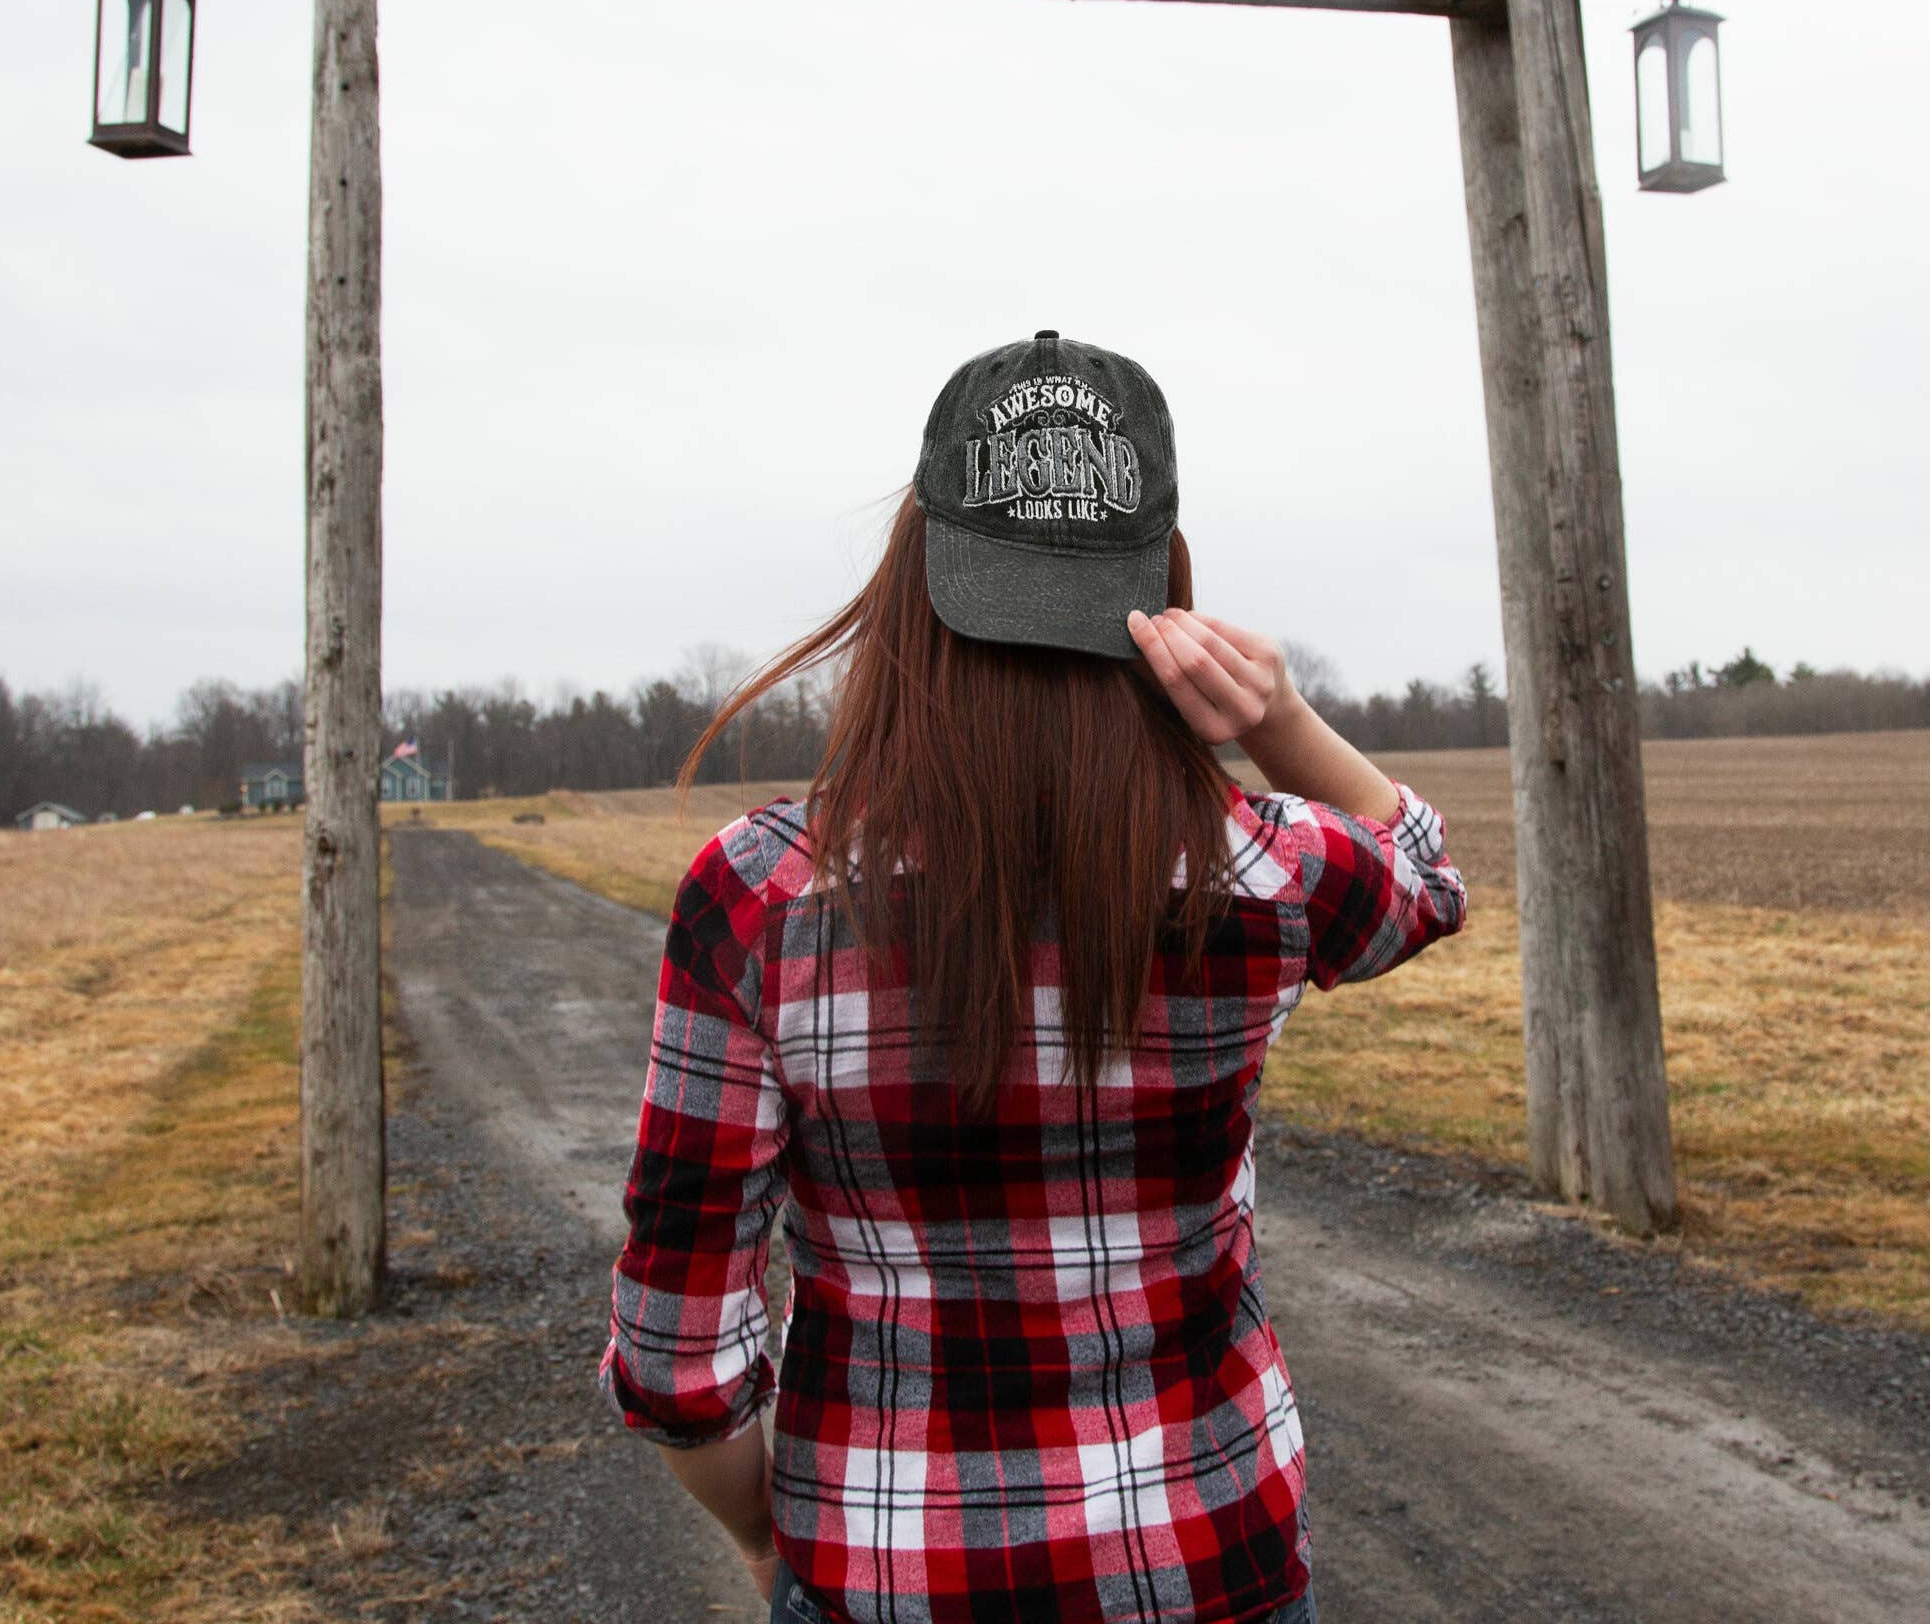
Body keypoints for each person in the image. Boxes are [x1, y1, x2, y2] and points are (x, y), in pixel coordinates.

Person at [599, 330, 1468, 1622]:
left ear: (915, 588)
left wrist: (765, 1544)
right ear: (1161, 600)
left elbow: (680, 1354)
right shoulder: (1270, 874)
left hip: (890, 1583)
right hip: (1209, 1565)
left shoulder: (762, 895)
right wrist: (1276, 718)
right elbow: (1424, 875)